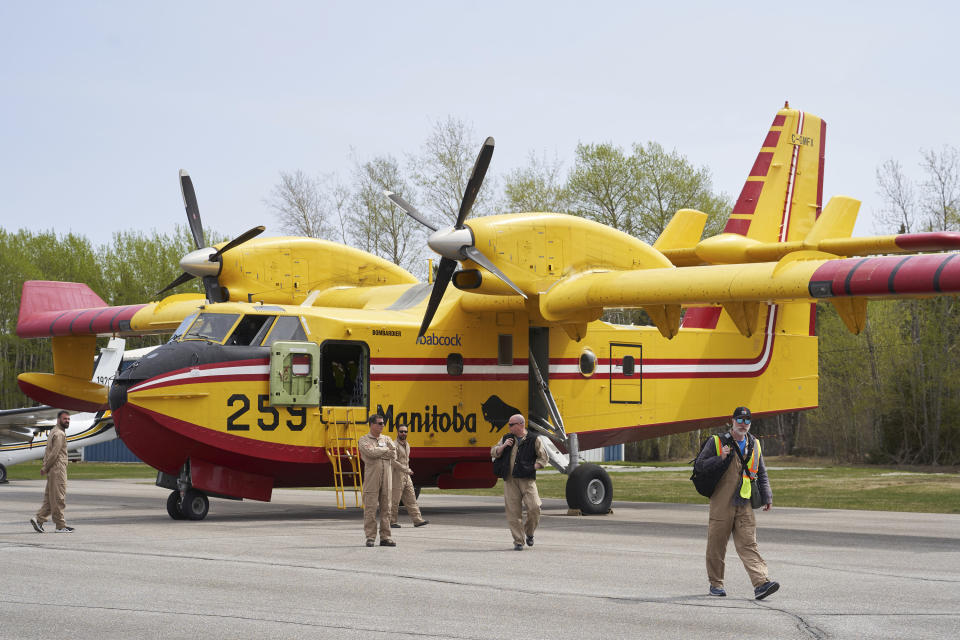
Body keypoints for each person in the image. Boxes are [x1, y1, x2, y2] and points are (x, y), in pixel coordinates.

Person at [694, 406, 779, 599]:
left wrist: (767, 496)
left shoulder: (755, 443)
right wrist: (720, 457)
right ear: (732, 421)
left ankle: (761, 584)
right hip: (721, 502)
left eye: (747, 420)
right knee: (716, 545)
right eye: (739, 420)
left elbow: (762, 473)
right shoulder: (716, 441)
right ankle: (716, 584)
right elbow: (699, 465)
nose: (743, 424)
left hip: (744, 502)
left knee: (749, 544)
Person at [490, 414, 548, 550]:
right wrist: (503, 446)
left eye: (511, 424)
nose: (509, 427)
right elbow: (493, 452)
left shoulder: (534, 439)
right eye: (509, 424)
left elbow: (543, 458)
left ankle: (529, 532)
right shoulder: (506, 438)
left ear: (521, 425)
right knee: (513, 512)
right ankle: (518, 541)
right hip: (510, 480)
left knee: (534, 507)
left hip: (527, 480)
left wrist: (533, 467)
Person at [30, 410, 74, 533]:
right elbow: (54, 453)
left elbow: (48, 451)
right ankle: (60, 526)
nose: (67, 421)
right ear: (58, 419)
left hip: (53, 469)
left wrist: (46, 467)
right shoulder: (59, 434)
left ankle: (38, 520)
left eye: (68, 419)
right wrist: (45, 467)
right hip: (58, 469)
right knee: (59, 498)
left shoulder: (53, 432)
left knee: (50, 499)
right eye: (65, 419)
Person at [358, 413, 397, 547]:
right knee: (370, 509)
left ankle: (385, 537)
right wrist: (384, 450)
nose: (383, 426)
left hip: (387, 479)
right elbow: (370, 453)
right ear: (372, 424)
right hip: (372, 479)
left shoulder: (386, 438)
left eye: (383, 423)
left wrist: (379, 450)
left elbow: (394, 453)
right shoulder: (364, 440)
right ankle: (370, 537)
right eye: (380, 423)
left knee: (387, 508)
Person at [389, 425, 429, 529]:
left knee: (412, 499)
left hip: (406, 476)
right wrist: (406, 470)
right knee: (395, 501)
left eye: (405, 432)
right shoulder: (394, 445)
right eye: (401, 431)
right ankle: (391, 522)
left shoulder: (407, 445)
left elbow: (406, 460)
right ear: (397, 432)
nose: (403, 433)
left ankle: (417, 520)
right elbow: (393, 462)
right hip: (397, 476)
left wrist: (407, 471)